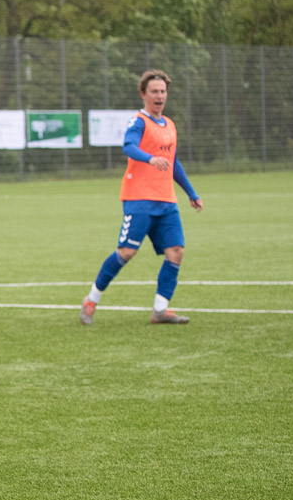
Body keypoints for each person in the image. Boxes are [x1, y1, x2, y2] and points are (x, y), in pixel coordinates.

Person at [79, 70, 203, 326]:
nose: (159, 96)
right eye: (154, 91)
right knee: (126, 252)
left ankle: (160, 310)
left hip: (166, 201)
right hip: (139, 199)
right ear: (143, 94)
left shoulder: (170, 125)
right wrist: (150, 158)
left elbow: (173, 162)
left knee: (176, 252)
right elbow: (129, 146)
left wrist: (191, 193)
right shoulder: (138, 122)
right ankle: (91, 299)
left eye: (163, 91)